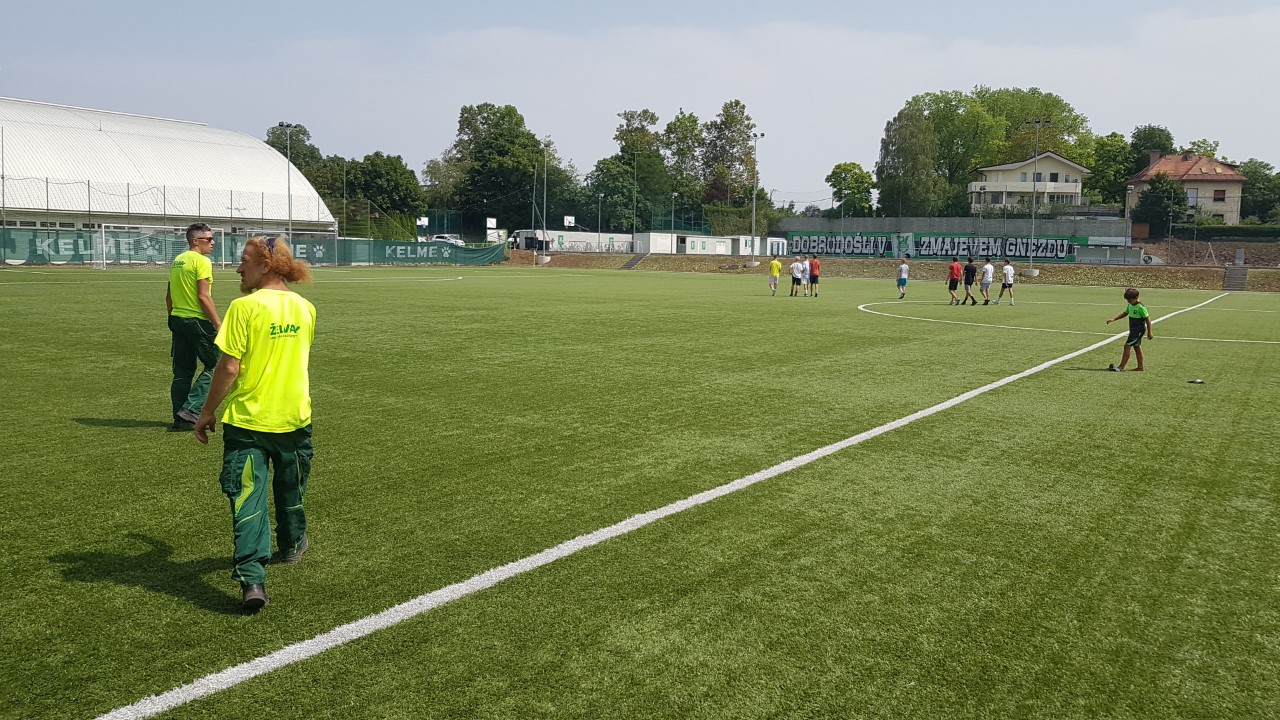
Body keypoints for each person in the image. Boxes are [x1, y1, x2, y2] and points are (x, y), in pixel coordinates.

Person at [194, 236, 316, 611]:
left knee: (248, 499)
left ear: (266, 265)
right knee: (291, 489)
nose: (238, 268)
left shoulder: (243, 308)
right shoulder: (305, 308)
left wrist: (206, 412)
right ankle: (292, 544)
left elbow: (229, 367)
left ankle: (252, 580)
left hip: (248, 424)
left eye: (244, 260)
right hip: (294, 419)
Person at [167, 223, 221, 430]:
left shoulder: (178, 260)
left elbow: (169, 296)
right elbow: (203, 296)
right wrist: (218, 324)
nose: (213, 242)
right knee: (217, 365)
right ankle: (190, 411)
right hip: (197, 321)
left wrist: (173, 317)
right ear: (196, 241)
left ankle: (180, 418)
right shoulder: (202, 261)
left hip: (177, 319)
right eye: (209, 239)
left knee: (182, 372)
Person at [1106, 287, 1153, 371]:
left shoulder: (1140, 307)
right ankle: (1140, 367)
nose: (1128, 302)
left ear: (1136, 297)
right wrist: (1114, 319)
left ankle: (1121, 367)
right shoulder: (1130, 305)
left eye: (1130, 300)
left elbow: (1148, 320)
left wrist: (1150, 332)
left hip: (1138, 331)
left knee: (1127, 346)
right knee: (1137, 347)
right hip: (1133, 330)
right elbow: (1125, 313)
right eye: (1127, 300)